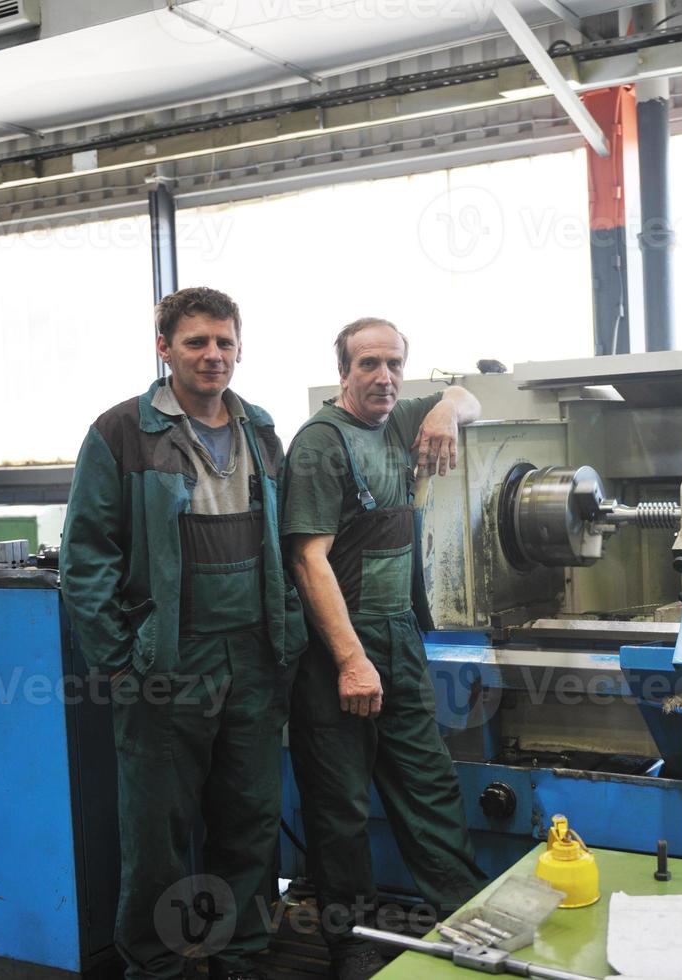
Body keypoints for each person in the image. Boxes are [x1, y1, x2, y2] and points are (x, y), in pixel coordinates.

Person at [60, 287, 308, 980]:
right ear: (163, 348)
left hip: (254, 658)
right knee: (158, 832)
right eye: (197, 342)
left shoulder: (260, 429)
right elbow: (87, 558)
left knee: (251, 819)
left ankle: (240, 954)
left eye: (225, 342)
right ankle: (160, 964)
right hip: (166, 660)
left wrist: (286, 635)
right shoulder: (121, 433)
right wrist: (118, 659)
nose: (213, 355)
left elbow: (282, 545)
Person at [284, 317, 488, 980]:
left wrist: (450, 408)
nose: (383, 376)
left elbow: (471, 395)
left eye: (394, 363)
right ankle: (350, 943)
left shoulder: (401, 421)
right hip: (338, 643)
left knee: (427, 785)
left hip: (399, 634)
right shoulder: (321, 444)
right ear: (343, 371)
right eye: (368, 364)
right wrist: (350, 659)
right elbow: (308, 559)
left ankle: (466, 918)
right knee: (340, 806)